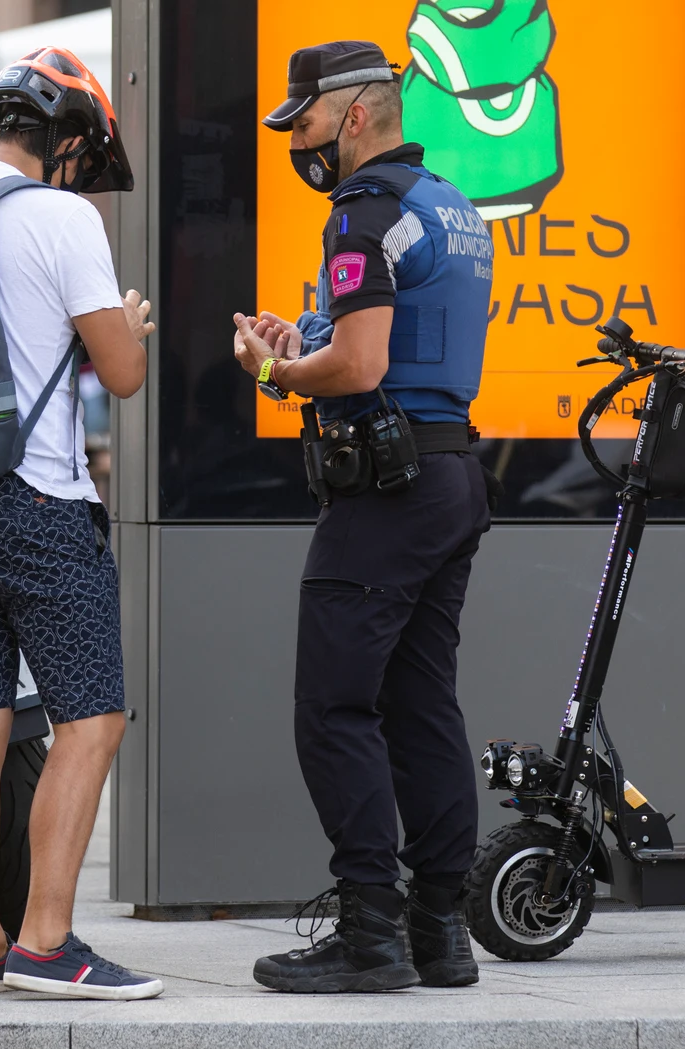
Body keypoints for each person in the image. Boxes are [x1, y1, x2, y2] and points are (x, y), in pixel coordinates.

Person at [233, 40, 495, 994]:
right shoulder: (452, 207)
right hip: (450, 475)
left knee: (334, 709)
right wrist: (302, 337)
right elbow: (397, 343)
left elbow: (359, 366)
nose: (295, 142)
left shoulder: (363, 209)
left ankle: (370, 932)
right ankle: (440, 931)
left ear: (351, 114)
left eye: (302, 121)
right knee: (422, 706)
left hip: (387, 491)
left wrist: (273, 369)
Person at [0, 47, 161, 1001]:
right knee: (90, 720)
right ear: (66, 141)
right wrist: (125, 327)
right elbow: (122, 375)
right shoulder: (63, 219)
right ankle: (47, 942)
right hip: (38, 499)